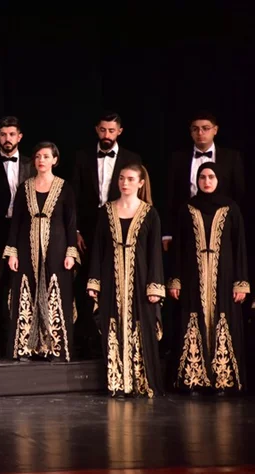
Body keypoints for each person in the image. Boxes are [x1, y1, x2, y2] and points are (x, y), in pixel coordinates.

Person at [168, 162, 249, 394]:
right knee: (193, 318)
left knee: (222, 318)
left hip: (224, 275)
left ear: (219, 179)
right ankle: (194, 378)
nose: (206, 181)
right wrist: (175, 280)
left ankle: (223, 380)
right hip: (193, 275)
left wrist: (241, 282)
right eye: (202, 177)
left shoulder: (231, 208)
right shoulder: (186, 208)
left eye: (211, 177)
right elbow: (179, 248)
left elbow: (240, 246)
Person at [87, 163, 165, 398]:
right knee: (113, 324)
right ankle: (117, 382)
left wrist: (155, 285)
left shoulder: (150, 213)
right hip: (112, 278)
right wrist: (94, 282)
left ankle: (139, 382)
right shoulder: (106, 211)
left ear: (141, 183)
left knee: (139, 327)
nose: (125, 183)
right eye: (122, 178)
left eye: (131, 179)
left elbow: (155, 253)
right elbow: (98, 250)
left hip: (140, 280)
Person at [72, 112, 141, 359]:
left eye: (111, 131)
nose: (107, 135)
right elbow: (75, 196)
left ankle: (116, 338)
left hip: (119, 227)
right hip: (88, 231)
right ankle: (86, 339)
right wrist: (76, 230)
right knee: (85, 284)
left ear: (120, 131)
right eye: (103, 130)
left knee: (115, 280)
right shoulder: (82, 157)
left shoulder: (132, 158)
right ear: (96, 130)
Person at [3, 142, 79, 361]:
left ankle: (54, 347)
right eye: (38, 156)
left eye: (46, 156)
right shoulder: (24, 187)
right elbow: (16, 222)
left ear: (55, 160)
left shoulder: (64, 188)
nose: (41, 160)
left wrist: (70, 252)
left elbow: (70, 222)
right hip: (27, 248)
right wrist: (13, 252)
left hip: (56, 248)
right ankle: (26, 347)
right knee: (27, 292)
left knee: (54, 293)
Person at [0, 115, 35, 357]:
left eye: (12, 134)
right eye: (3, 135)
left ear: (19, 137)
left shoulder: (31, 164)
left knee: (24, 286)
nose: (7, 139)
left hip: (25, 233)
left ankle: (25, 341)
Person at [163, 111, 245, 250]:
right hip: (187, 226)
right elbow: (169, 197)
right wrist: (167, 233)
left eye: (205, 128)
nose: (200, 132)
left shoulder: (231, 158)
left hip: (223, 228)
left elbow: (239, 195)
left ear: (215, 130)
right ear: (191, 132)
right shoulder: (177, 159)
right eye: (195, 129)